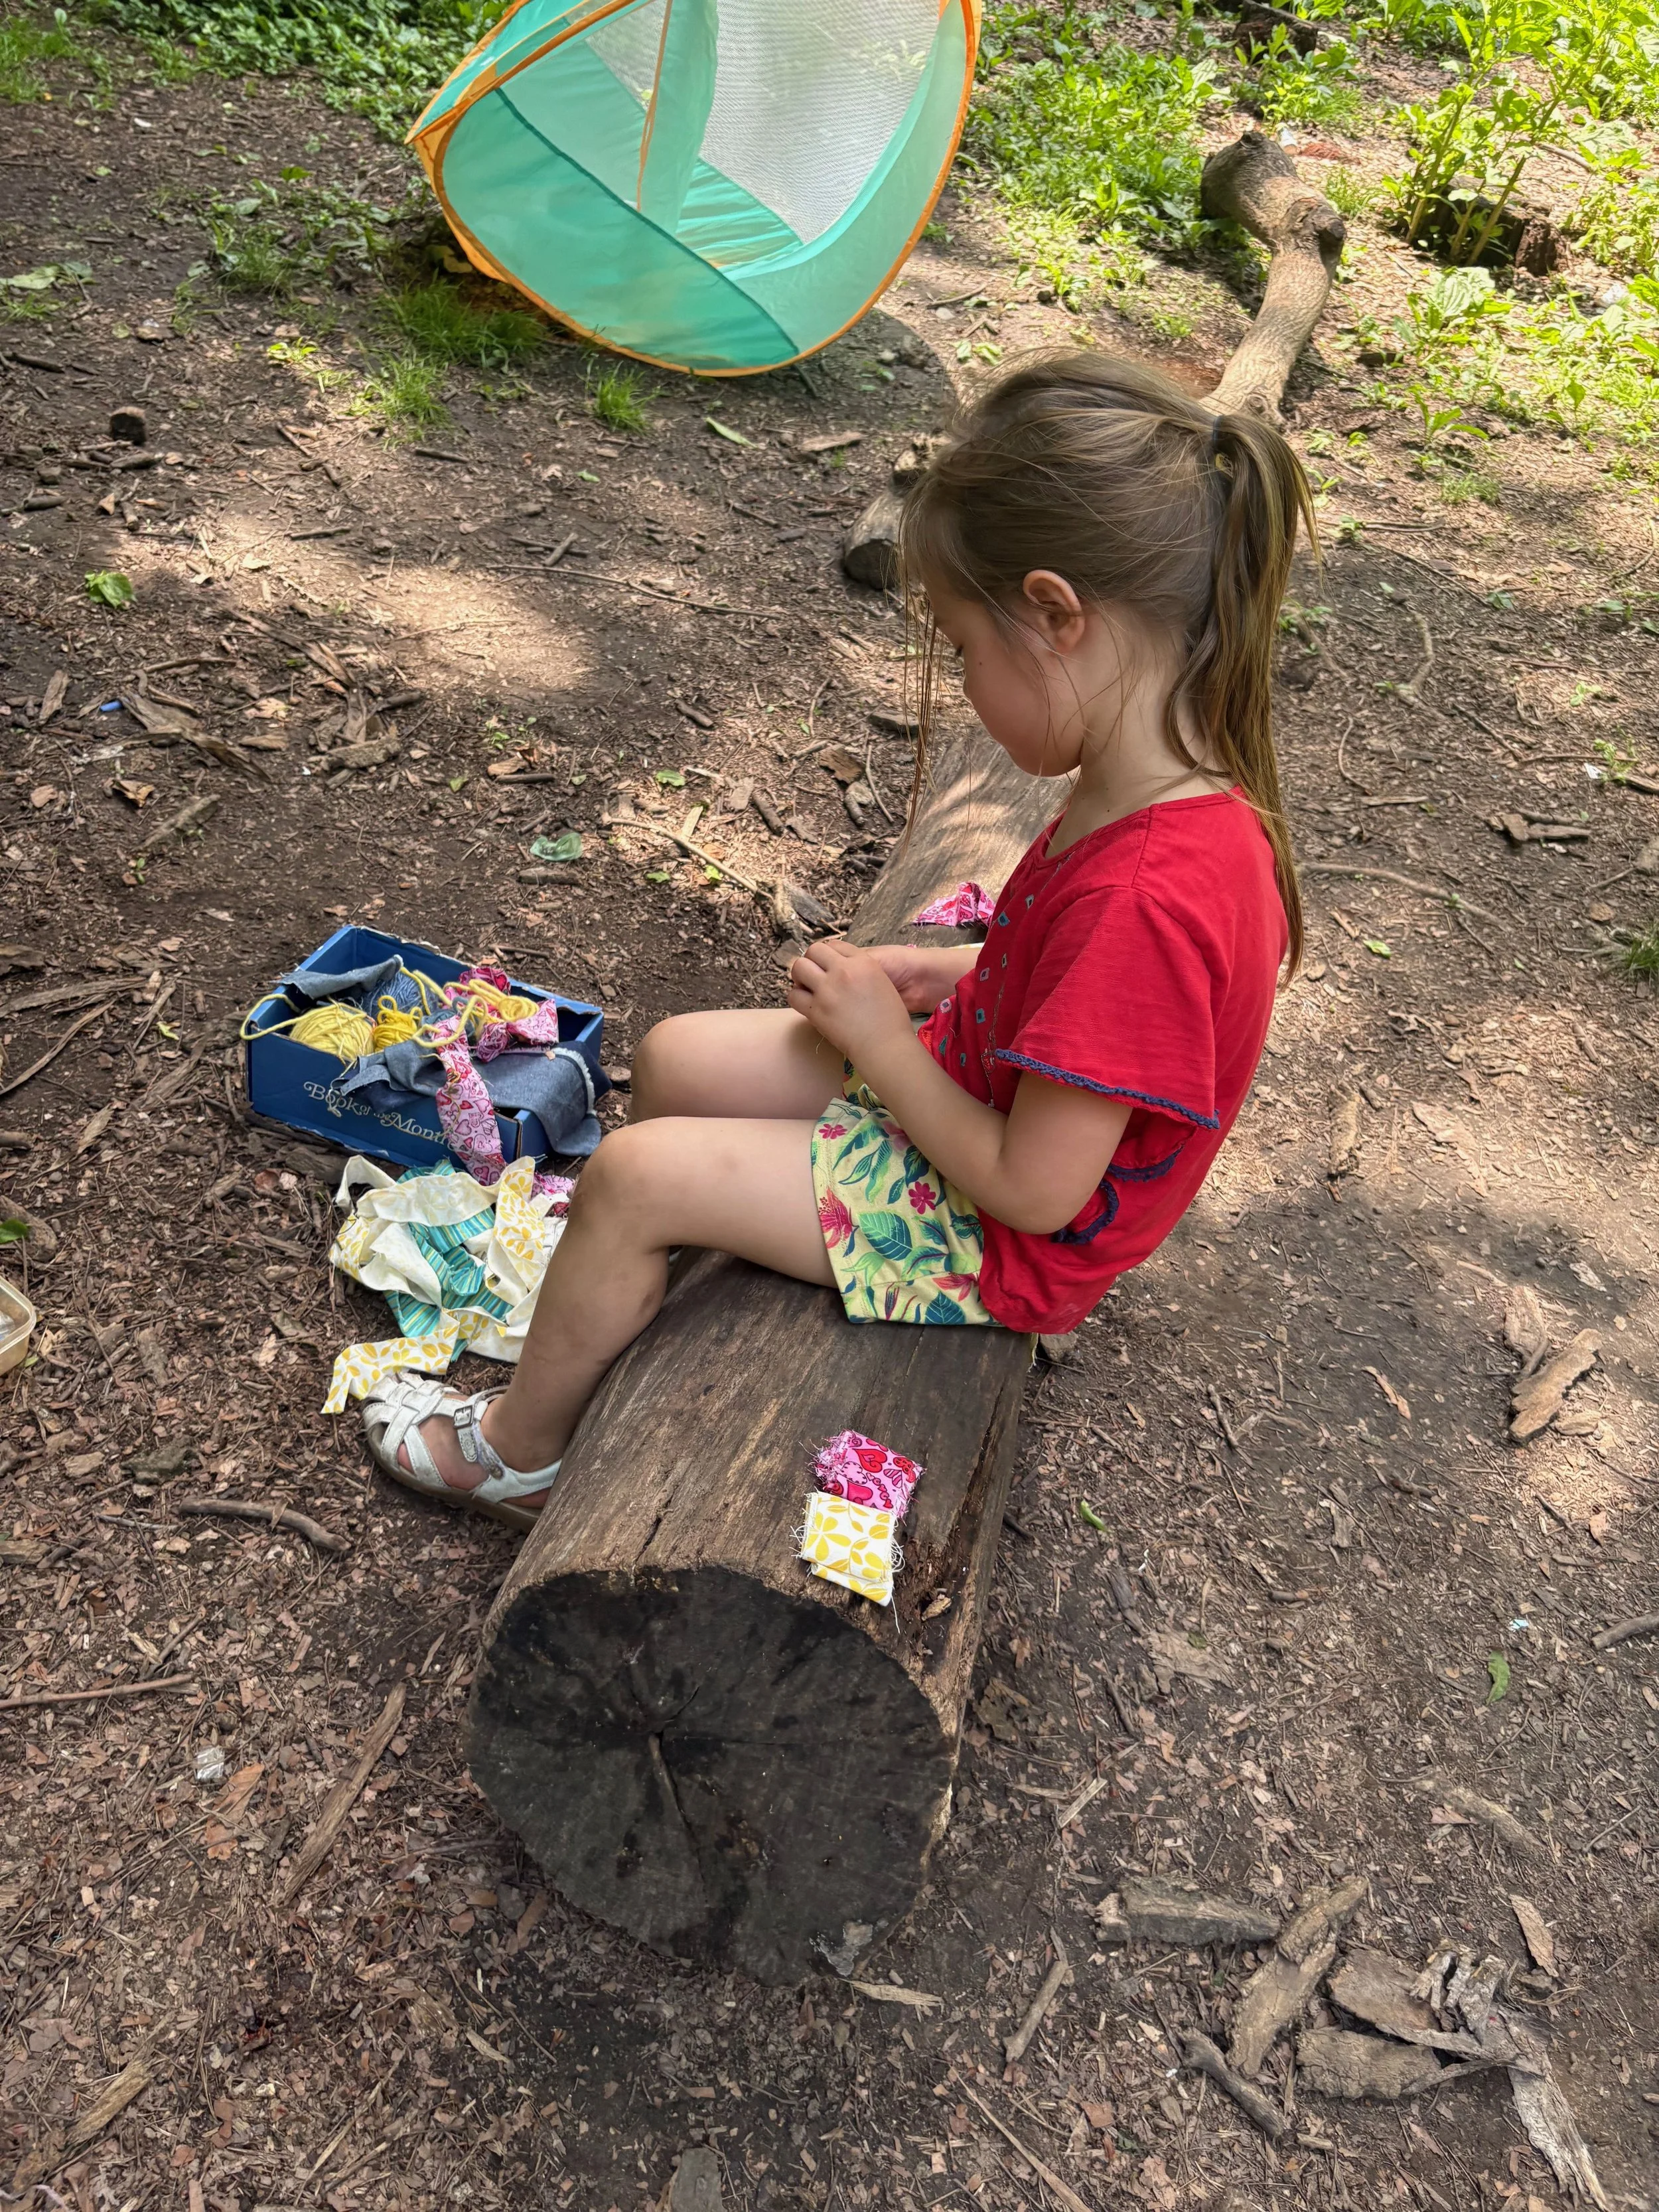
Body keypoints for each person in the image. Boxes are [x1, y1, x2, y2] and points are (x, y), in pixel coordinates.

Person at [361, 351, 1314, 1526]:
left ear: (1057, 617)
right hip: (973, 1089)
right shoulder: (1152, 776)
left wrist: (886, 1039)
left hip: (999, 1239)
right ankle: (663, 1268)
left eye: (964, 649)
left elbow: (1037, 1193)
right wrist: (943, 972)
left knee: (631, 1173)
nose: (961, 682)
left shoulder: (1157, 889)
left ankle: (518, 1452)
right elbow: (1087, 995)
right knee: (672, 1059)